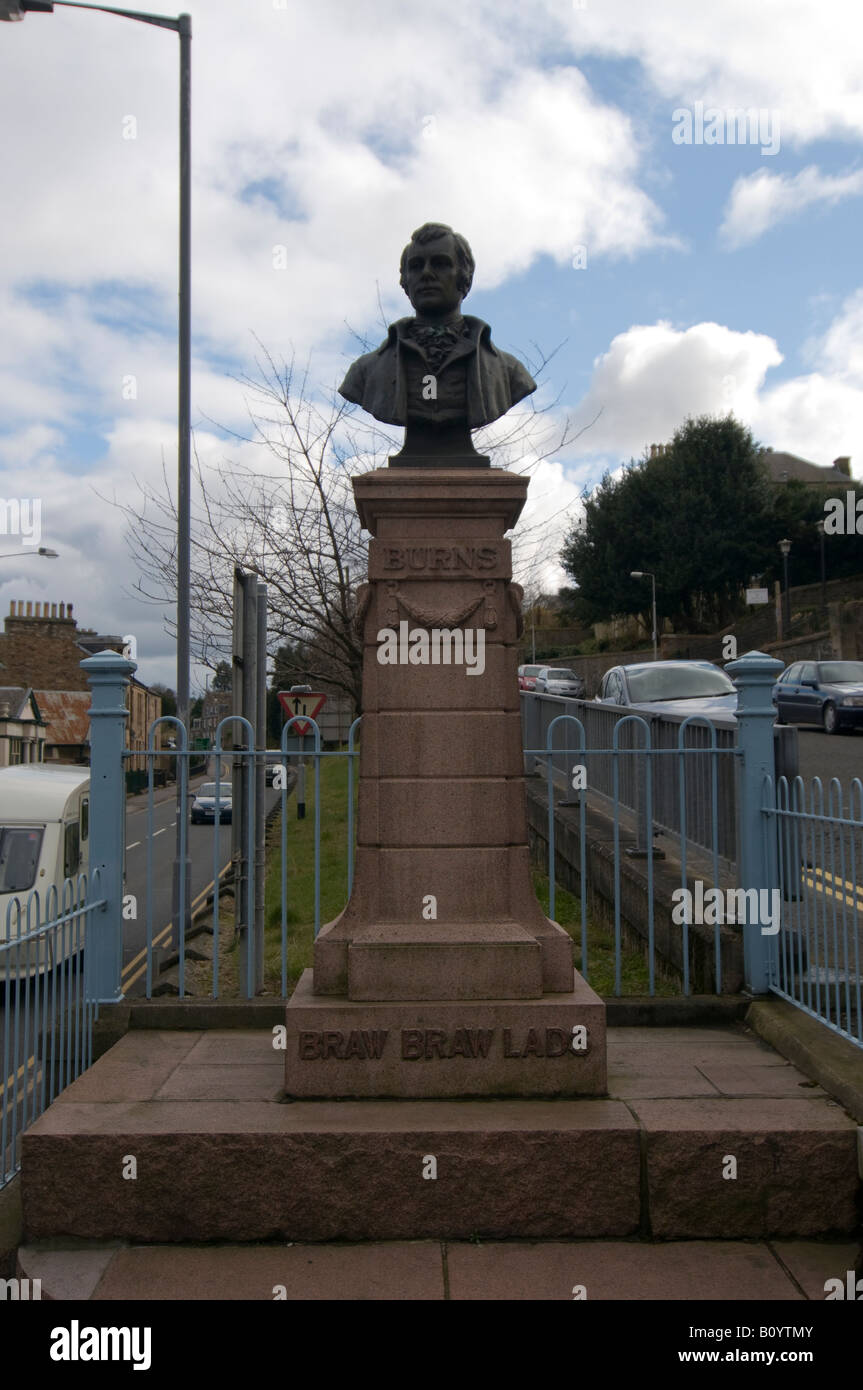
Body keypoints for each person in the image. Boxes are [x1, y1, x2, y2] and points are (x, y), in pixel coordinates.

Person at [339, 222, 536, 463]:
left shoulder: (509, 372)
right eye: (416, 266)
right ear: (405, 281)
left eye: (440, 264)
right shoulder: (366, 372)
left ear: (464, 276)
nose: (427, 274)